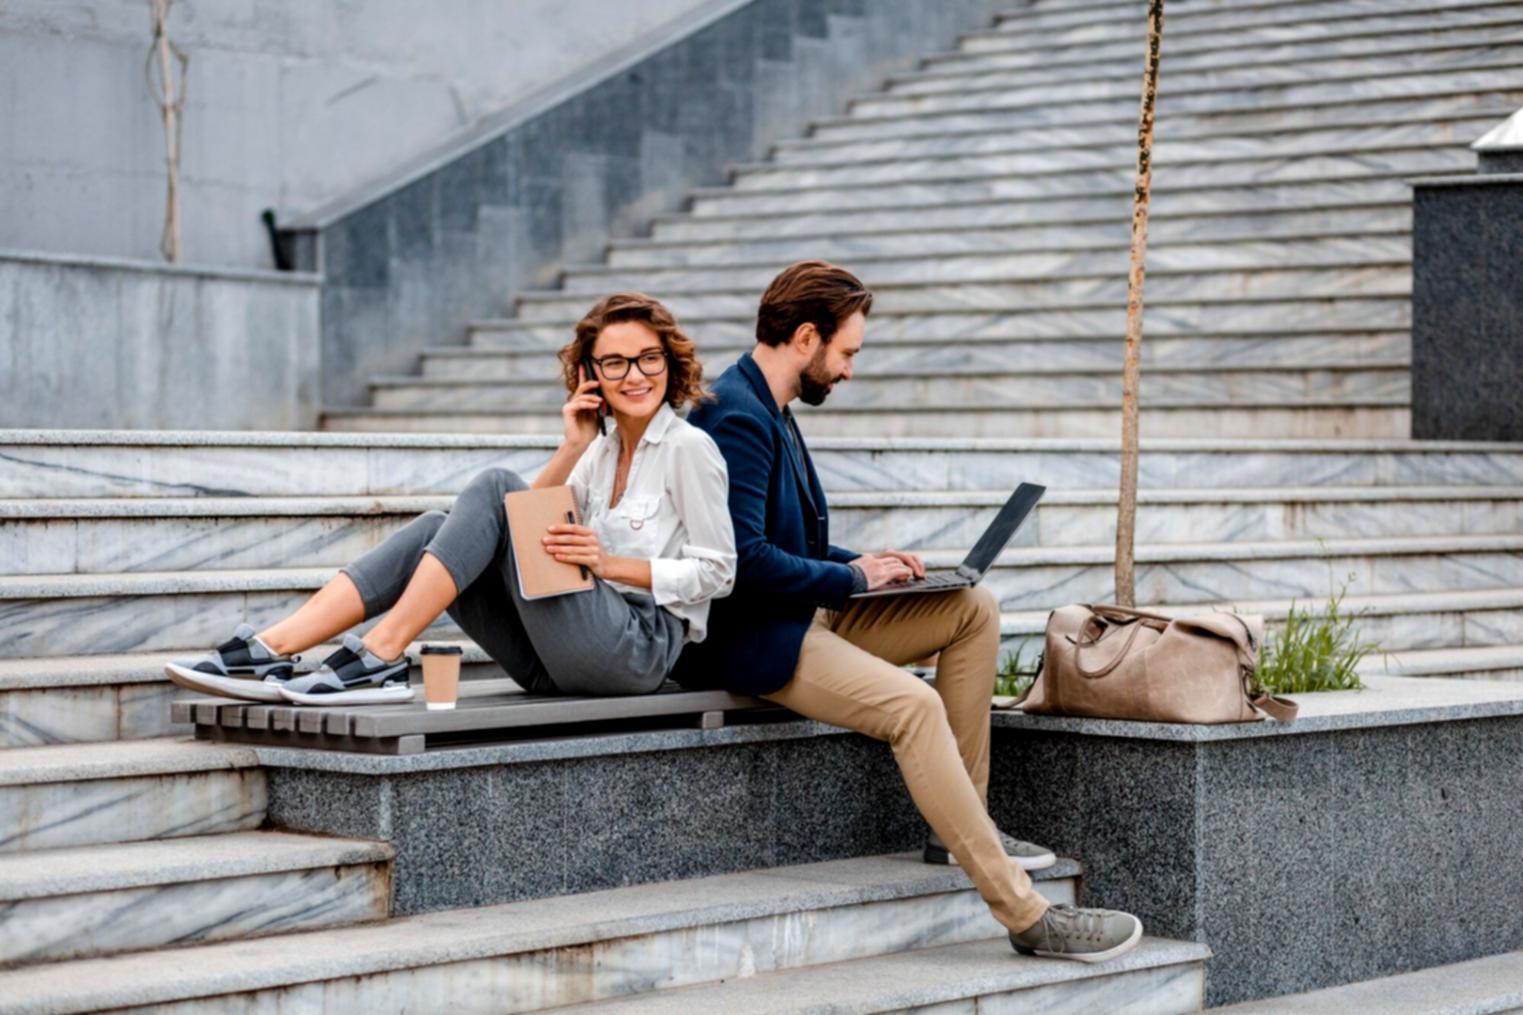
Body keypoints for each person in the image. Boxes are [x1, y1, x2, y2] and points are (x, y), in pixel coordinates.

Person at [672, 260, 1145, 963]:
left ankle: (961, 826)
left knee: (970, 607)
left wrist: (873, 565)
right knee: (912, 708)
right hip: (758, 637)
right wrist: (847, 576)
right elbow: (741, 561)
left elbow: (782, 539)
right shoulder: (736, 415)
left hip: (803, 609)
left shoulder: (766, 404)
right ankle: (1024, 913)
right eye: (847, 352)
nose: (849, 370)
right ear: (806, 337)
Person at [166, 293, 736, 705]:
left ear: (669, 362)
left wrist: (611, 565)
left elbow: (720, 572)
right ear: (592, 376)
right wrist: (571, 447)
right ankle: (275, 645)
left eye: (648, 358)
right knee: (438, 527)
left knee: (493, 485)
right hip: (553, 661)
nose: (635, 374)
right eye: (615, 362)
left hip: (635, 650)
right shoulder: (599, 452)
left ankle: (380, 654)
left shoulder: (689, 448)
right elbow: (513, 534)